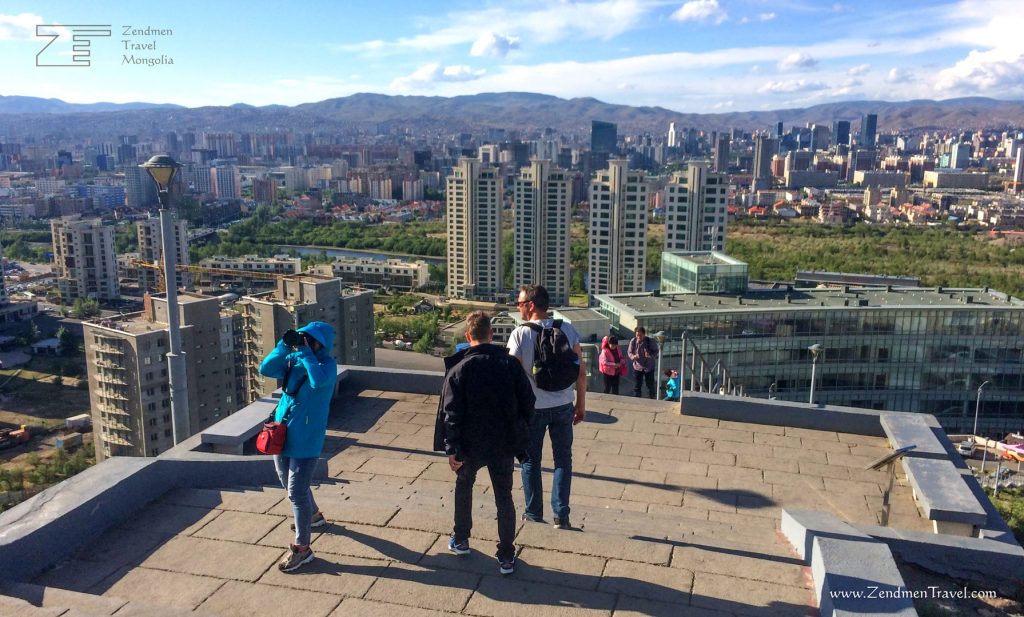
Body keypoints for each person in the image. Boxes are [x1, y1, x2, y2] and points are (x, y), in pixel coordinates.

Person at [433, 312, 535, 575]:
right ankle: (506, 555)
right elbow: (528, 401)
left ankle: (461, 538)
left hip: (469, 444)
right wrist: (519, 430)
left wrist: (452, 447)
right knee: (504, 496)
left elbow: (451, 413)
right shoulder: (510, 365)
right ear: (491, 334)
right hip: (503, 443)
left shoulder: (459, 368)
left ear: (468, 337)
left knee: (464, 486)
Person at [258, 321, 337, 573]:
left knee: (296, 492)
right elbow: (266, 369)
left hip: (307, 438)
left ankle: (302, 549)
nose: (302, 342)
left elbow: (317, 382)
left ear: (319, 344)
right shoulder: (292, 358)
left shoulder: (327, 365)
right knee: (286, 480)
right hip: (282, 432)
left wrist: (304, 353)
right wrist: (283, 346)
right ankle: (313, 516)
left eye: (307, 339)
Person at [507, 284, 585, 530]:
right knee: (563, 460)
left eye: (519, 303)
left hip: (533, 408)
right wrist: (580, 404)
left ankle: (533, 513)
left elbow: (512, 376)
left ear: (531, 305)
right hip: (563, 405)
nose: (518, 307)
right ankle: (561, 516)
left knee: (530, 461)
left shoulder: (520, 334)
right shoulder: (568, 330)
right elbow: (580, 373)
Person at [628, 326, 659, 399]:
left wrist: (650, 356)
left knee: (650, 385)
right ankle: (637, 400)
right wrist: (633, 357)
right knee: (637, 385)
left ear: (644, 334)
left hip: (649, 367)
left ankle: (652, 399)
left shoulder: (650, 341)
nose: (639, 337)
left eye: (640, 335)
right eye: (637, 335)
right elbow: (629, 352)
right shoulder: (633, 341)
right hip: (638, 367)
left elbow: (656, 351)